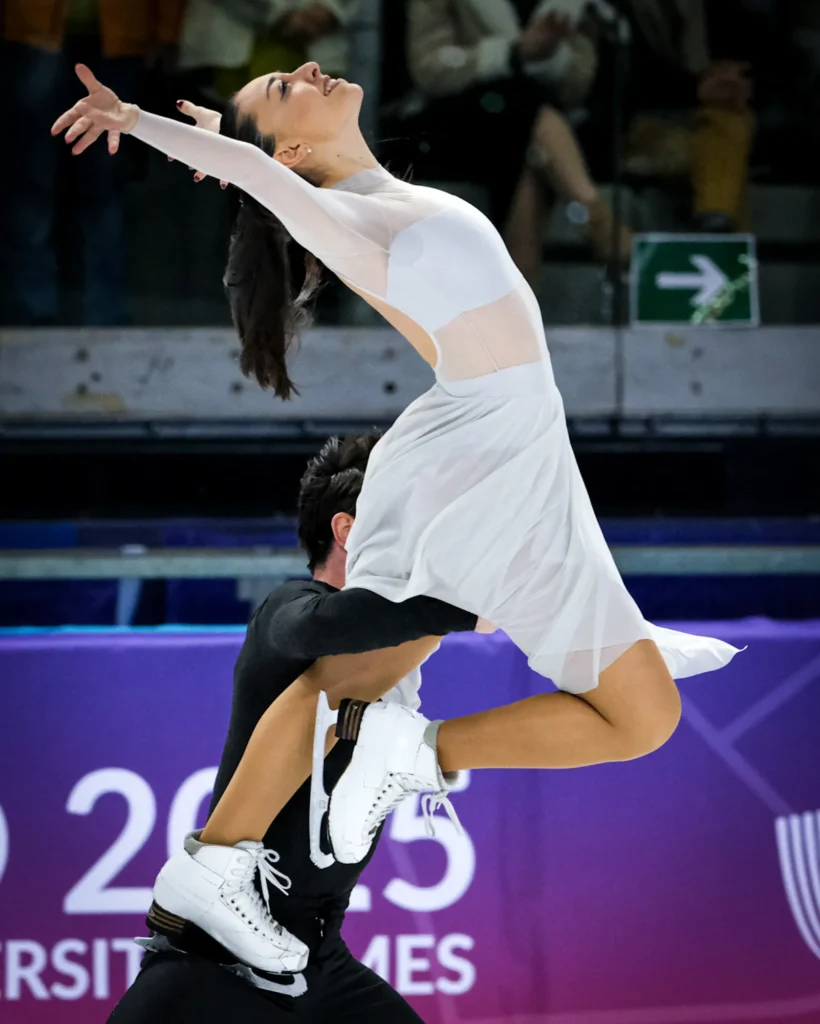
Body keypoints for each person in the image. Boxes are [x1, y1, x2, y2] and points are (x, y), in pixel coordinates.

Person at [52, 59, 741, 969]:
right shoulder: (336, 215)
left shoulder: (380, 193)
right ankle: (213, 866)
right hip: (462, 464)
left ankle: (416, 754)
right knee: (348, 679)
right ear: (294, 149)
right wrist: (141, 123)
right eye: (282, 91)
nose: (305, 69)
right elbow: (262, 177)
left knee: (643, 716)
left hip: (528, 454)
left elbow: (259, 166)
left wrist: (229, 143)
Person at [107, 433, 477, 1020]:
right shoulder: (287, 611)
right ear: (349, 532)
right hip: (213, 964)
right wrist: (462, 606)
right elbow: (322, 628)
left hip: (316, 959)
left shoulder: (399, 650)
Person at [398, 0, 633, 285]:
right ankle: (598, 221)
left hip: (535, 129)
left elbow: (579, 87)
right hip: (459, 120)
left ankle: (521, 299)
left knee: (531, 141)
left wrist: (548, 55)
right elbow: (428, 69)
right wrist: (513, 54)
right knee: (527, 118)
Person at [0, 0, 186, 325]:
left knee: (103, 181)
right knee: (31, 179)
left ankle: (106, 313)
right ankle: (31, 313)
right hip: (29, 28)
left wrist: (167, 32)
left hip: (120, 33)